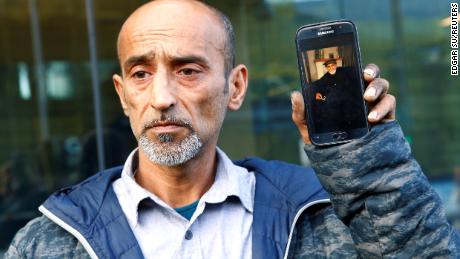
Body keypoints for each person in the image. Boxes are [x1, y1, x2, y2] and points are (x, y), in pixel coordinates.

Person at [5, 0, 460, 258]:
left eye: (188, 71)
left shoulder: (317, 216)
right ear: (124, 95)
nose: (161, 97)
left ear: (235, 87)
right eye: (141, 74)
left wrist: (367, 161)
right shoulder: (52, 240)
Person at [310, 59, 365, 133]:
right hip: (335, 106)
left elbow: (356, 71)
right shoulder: (325, 77)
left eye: (332, 65)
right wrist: (317, 93)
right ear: (327, 68)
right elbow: (316, 85)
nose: (331, 68)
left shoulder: (345, 71)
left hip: (349, 103)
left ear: (335, 65)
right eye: (328, 66)